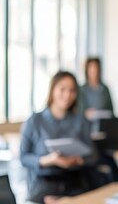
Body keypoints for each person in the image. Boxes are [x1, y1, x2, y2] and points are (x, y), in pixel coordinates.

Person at [20, 71, 98, 204]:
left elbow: (93, 155)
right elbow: (24, 158)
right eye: (62, 89)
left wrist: (79, 160)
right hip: (44, 186)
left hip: (75, 184)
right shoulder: (34, 121)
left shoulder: (80, 120)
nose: (67, 95)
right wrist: (47, 160)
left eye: (72, 90)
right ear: (52, 90)